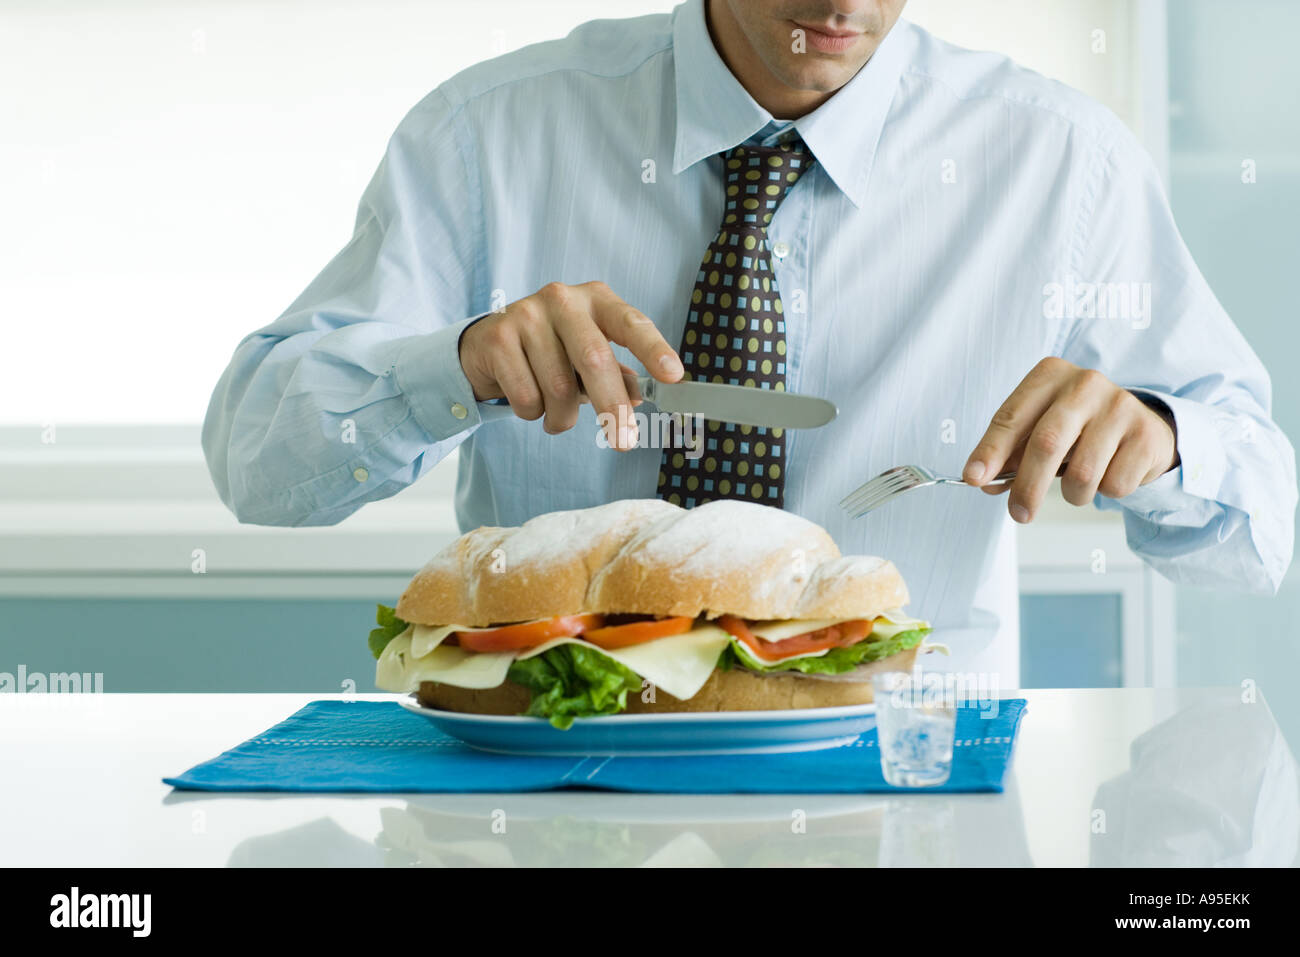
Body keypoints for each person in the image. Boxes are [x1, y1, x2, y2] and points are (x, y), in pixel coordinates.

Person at [202, 0, 1296, 680]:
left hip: (907, 775)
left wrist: (1161, 439)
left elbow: (1262, 540)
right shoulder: (486, 135)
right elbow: (258, 466)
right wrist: (454, 365)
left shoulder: (1061, 162)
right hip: (548, 767)